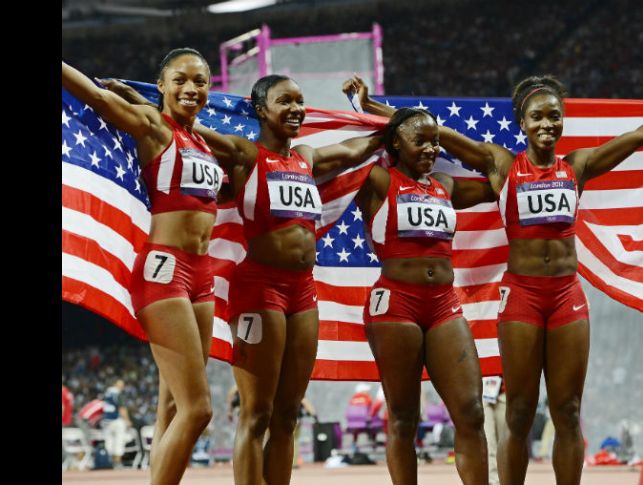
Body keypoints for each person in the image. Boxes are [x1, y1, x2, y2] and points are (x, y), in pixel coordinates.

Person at [347, 73, 643, 485]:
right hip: (521, 296)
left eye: (555, 117)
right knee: (518, 411)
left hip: (567, 296)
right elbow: (436, 131)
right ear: (522, 122)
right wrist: (375, 107)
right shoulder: (502, 165)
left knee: (568, 410)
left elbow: (640, 136)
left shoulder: (579, 166)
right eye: (537, 117)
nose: (547, 125)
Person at [100, 73, 381, 485]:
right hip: (258, 290)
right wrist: (143, 100)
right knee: (258, 414)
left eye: (300, 101)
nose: (296, 109)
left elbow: (356, 149)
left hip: (304, 293)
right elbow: (189, 126)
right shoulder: (246, 153)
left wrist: (381, 121)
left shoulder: (306, 157)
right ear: (261, 110)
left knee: (287, 416)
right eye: (285, 101)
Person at [63, 47, 226, 485]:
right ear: (161, 87)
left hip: (203, 276)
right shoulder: (155, 128)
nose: (192, 88)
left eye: (201, 81)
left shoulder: (206, 143)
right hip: (165, 270)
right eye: (181, 80)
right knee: (199, 409)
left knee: (172, 406)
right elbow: (98, 101)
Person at [340, 85, 494, 484]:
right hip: (396, 305)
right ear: (394, 142)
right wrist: (376, 114)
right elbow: (335, 160)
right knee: (404, 418)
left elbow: (499, 176)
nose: (431, 149)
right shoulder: (375, 181)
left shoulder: (447, 185)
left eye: (435, 142)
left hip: (444, 304)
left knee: (471, 412)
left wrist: (437, 131)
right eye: (419, 141)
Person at [482, 376, 506, 485]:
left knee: (505, 444)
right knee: (488, 442)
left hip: (505, 393)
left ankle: (506, 479)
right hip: (482, 393)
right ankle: (493, 481)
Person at [101, 379, 131, 468]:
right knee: (119, 440)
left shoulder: (106, 393)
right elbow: (122, 408)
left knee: (109, 442)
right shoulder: (117, 393)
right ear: (116, 385)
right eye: (121, 385)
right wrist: (127, 420)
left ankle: (109, 462)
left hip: (106, 421)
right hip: (116, 421)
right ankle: (117, 462)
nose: (122, 387)